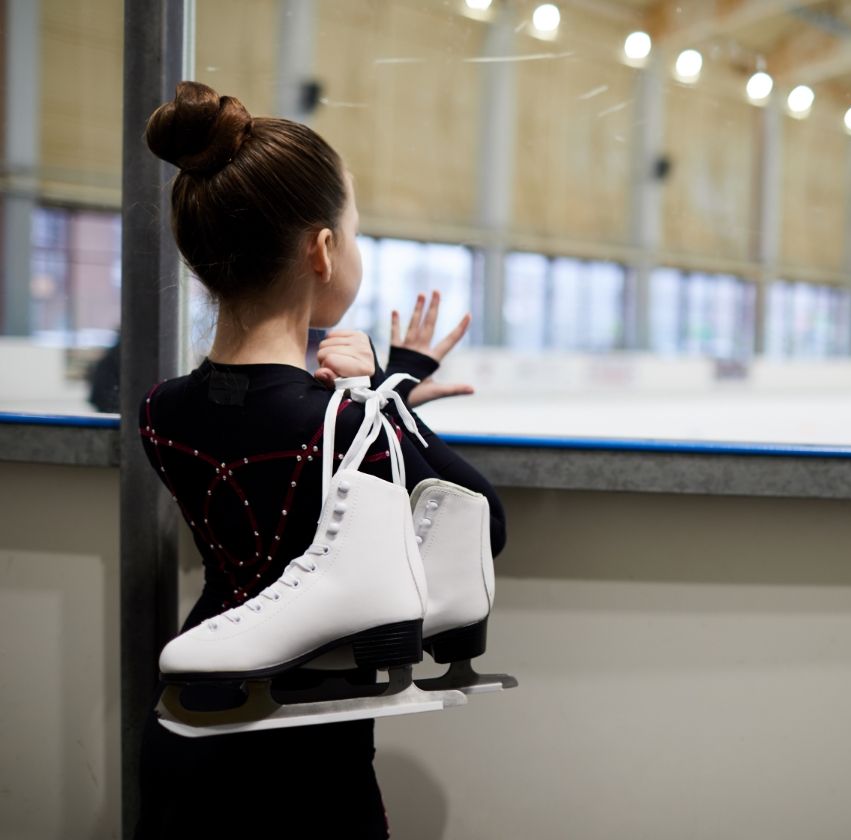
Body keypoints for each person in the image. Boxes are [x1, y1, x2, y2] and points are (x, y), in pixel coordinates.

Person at [134, 81, 501, 839]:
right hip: (302, 759)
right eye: (356, 231)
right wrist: (386, 400)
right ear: (322, 249)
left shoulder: (161, 409)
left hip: (187, 731)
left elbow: (265, 429)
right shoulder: (339, 418)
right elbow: (482, 522)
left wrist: (377, 394)